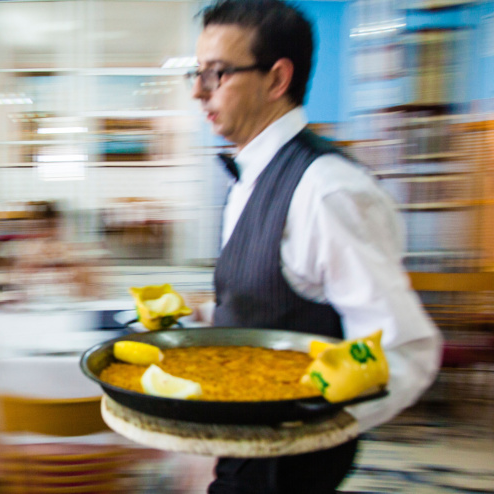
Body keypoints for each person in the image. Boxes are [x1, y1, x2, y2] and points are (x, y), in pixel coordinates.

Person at [189, 0, 442, 492]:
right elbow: (280, 303)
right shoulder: (249, 176)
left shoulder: (327, 189)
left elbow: (405, 348)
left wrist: (311, 427)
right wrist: (208, 316)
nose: (199, 91)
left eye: (217, 73)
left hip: (287, 466)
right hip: (240, 446)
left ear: (277, 80)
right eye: (196, 74)